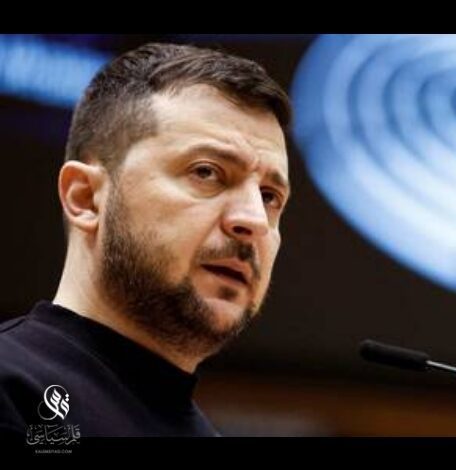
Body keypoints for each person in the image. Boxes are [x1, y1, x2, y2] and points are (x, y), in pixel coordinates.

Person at [0, 42, 292, 438]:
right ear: (85, 198)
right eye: (206, 172)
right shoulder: (12, 390)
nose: (254, 219)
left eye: (270, 197)